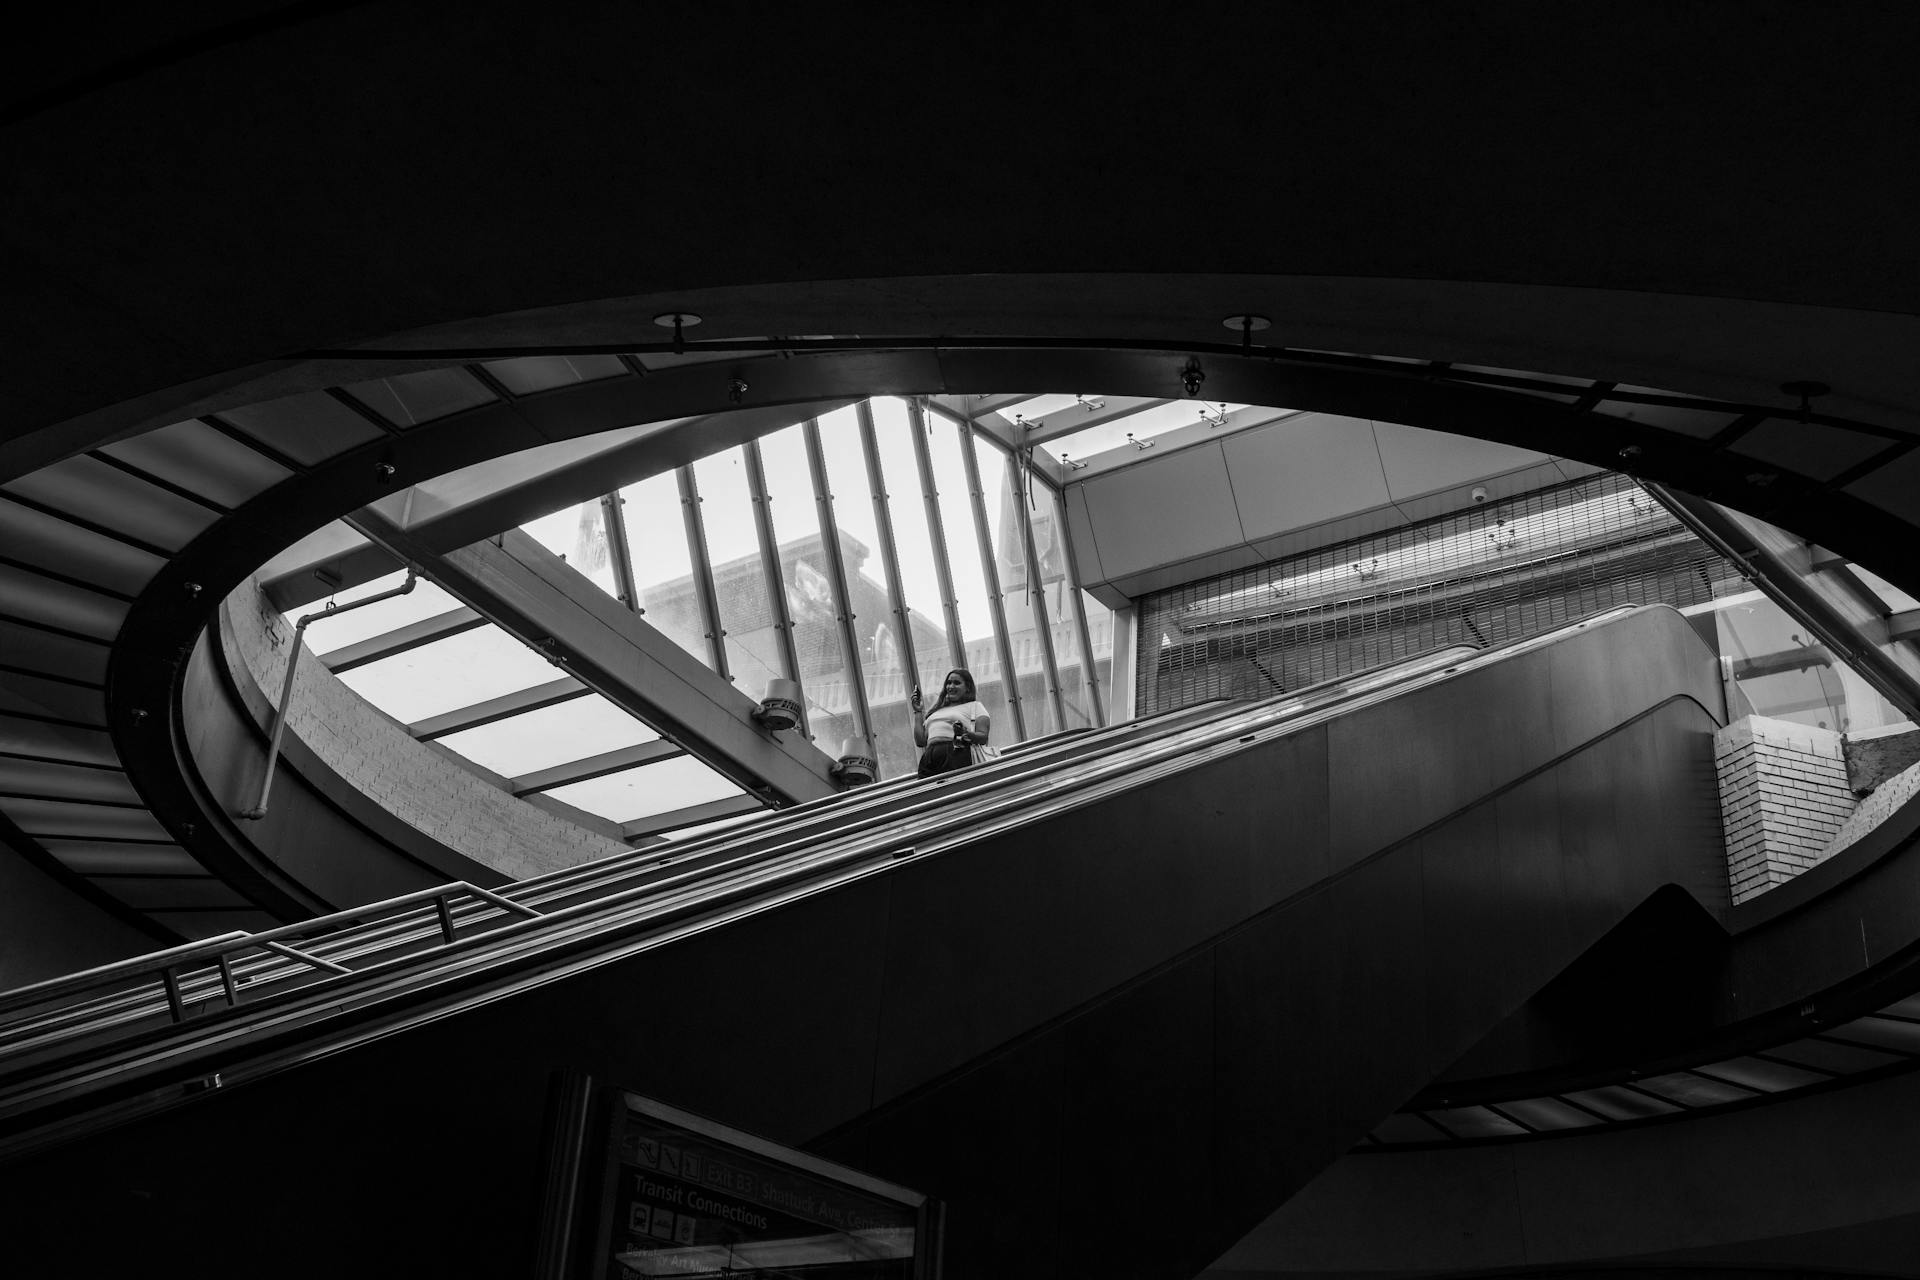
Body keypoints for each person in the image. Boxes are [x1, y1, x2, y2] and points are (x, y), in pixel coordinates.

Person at [911, 668, 991, 778]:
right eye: (948, 683)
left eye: (957, 683)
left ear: (967, 687)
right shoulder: (936, 711)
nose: (951, 686)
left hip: (956, 752)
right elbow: (920, 741)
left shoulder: (975, 706)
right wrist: (918, 711)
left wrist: (965, 733)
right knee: (928, 793)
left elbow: (983, 737)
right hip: (929, 756)